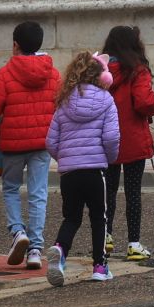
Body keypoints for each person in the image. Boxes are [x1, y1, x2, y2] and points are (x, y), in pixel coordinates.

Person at [0, 21, 59, 271]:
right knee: (38, 193)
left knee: (11, 188)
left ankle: (17, 232)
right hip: (42, 144)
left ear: (15, 45)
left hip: (12, 144)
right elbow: (60, 104)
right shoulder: (53, 73)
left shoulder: (5, 73)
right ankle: (35, 249)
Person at [43, 51, 119, 286]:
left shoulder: (64, 101)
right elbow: (111, 137)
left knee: (71, 217)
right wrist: (109, 158)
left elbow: (51, 142)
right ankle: (99, 266)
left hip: (70, 173)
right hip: (96, 170)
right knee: (99, 217)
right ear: (101, 76)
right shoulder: (106, 100)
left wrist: (65, 158)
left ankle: (60, 248)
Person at [98, 25, 154, 261]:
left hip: (106, 140)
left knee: (107, 192)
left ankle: (106, 236)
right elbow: (145, 102)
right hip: (132, 139)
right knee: (133, 193)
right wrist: (153, 106)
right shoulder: (137, 70)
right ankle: (134, 243)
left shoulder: (99, 71)